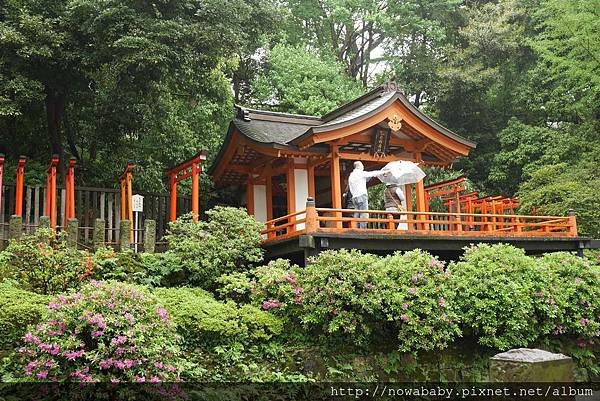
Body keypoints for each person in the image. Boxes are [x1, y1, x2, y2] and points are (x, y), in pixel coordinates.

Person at [348, 161, 386, 229]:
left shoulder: (351, 175)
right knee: (364, 213)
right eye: (362, 165)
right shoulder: (360, 173)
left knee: (357, 213)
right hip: (362, 195)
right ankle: (363, 229)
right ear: (359, 166)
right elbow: (372, 173)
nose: (363, 167)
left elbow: (351, 188)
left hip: (355, 197)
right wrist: (383, 172)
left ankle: (355, 228)